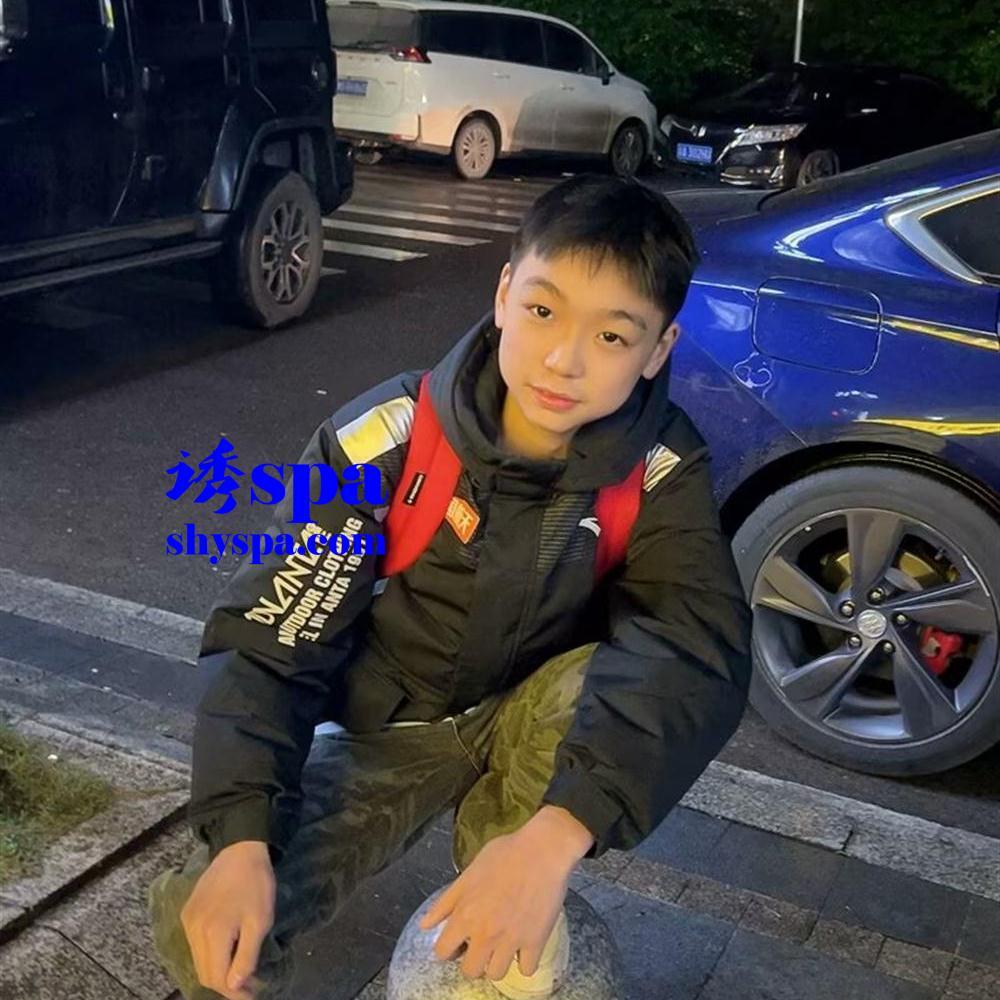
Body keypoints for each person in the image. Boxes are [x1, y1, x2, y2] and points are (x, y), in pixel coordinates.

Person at [147, 173, 753, 1000]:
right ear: (503, 294)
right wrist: (241, 833)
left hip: (540, 724)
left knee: (616, 677)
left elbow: (693, 644)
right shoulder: (388, 439)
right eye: (542, 311)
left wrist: (556, 835)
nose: (564, 359)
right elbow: (277, 633)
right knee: (206, 926)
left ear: (658, 349)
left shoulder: (660, 468)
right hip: (394, 724)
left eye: (613, 336)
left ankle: (508, 867)